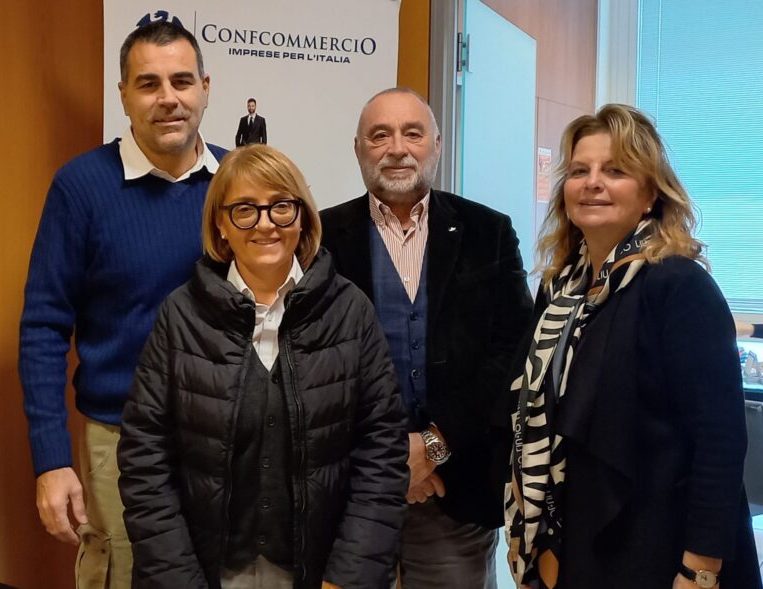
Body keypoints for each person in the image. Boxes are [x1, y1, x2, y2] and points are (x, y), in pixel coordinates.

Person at [117, 144, 409, 589]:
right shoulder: (182, 316)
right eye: (245, 210)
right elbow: (145, 457)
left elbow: (382, 453)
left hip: (321, 573)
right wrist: (176, 577)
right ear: (220, 224)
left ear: (302, 216)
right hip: (206, 573)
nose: (266, 223)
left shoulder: (350, 312)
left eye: (280, 206)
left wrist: (349, 576)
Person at [503, 103, 761, 589]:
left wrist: (699, 569)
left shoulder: (679, 285)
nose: (593, 183)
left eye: (615, 171)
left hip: (661, 548)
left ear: (649, 194)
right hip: (579, 541)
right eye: (579, 171)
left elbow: (720, 441)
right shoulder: (560, 288)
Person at [18, 21, 226, 588]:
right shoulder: (81, 187)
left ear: (206, 88)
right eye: (148, 84)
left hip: (229, 438)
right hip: (120, 440)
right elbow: (42, 328)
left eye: (182, 81)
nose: (168, 98)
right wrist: (51, 460)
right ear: (124, 95)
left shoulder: (238, 182)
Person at [320, 87, 533, 588]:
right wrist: (391, 462)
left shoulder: (488, 232)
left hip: (457, 491)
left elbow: (512, 353)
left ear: (436, 145)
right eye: (380, 135)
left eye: (412, 134)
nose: (397, 148)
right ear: (357, 148)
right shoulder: (320, 236)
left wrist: (433, 446)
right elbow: (313, 365)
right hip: (352, 493)